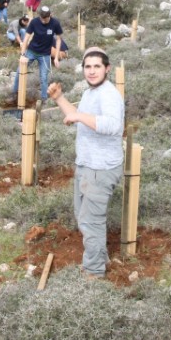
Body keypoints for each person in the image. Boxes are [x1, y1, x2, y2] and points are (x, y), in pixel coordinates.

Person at [47, 47, 124, 279]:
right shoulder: (91, 92)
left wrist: (79, 116)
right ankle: (99, 258)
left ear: (107, 69)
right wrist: (60, 99)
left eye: (97, 66)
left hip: (101, 169)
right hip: (87, 164)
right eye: (87, 67)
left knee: (91, 221)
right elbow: (77, 117)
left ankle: (93, 272)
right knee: (84, 217)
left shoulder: (109, 94)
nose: (91, 71)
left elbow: (112, 126)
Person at [12, 6, 62, 102]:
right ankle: (14, 93)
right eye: (42, 18)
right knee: (19, 71)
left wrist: (56, 58)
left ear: (50, 15)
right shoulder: (34, 22)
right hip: (31, 51)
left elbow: (59, 39)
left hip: (45, 54)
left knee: (43, 77)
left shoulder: (55, 23)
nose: (43, 21)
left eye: (45, 18)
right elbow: (26, 38)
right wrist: (22, 55)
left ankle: (44, 99)